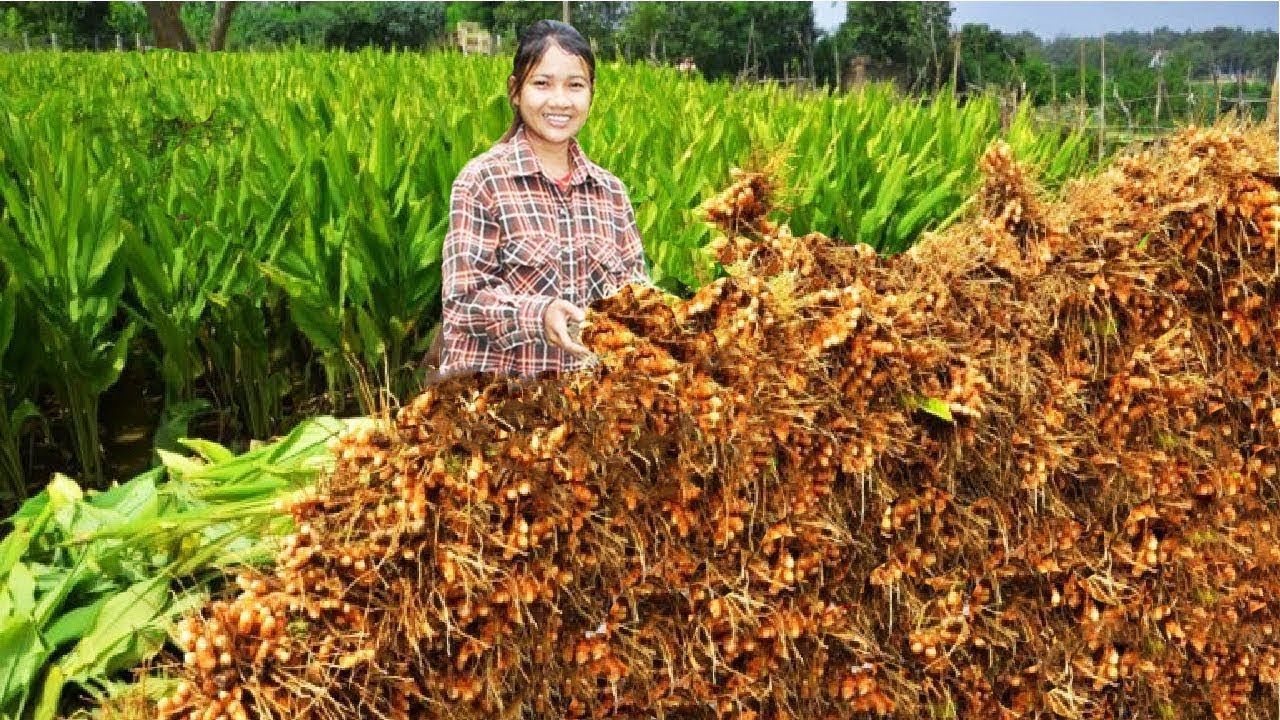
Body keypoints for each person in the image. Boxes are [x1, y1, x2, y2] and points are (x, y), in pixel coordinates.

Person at [432, 19, 649, 381]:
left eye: (575, 86)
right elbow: (463, 302)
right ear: (516, 91)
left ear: (591, 93)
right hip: (497, 413)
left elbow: (637, 298)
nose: (560, 101)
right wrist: (540, 314)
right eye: (542, 84)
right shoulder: (482, 181)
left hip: (586, 413)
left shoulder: (611, 192)